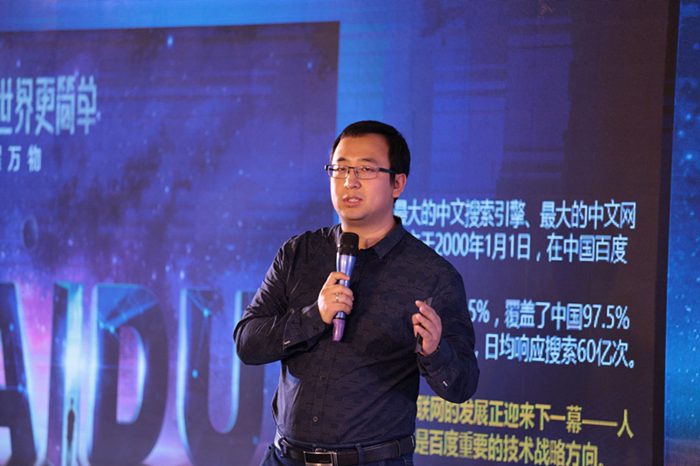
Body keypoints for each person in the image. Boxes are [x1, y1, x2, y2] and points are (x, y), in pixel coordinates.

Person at [234, 120, 479, 466]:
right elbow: (247, 343)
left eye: (366, 169)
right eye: (340, 168)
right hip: (284, 457)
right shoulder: (299, 253)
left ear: (397, 183)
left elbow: (462, 385)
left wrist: (435, 351)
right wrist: (312, 317)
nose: (350, 181)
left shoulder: (432, 275)